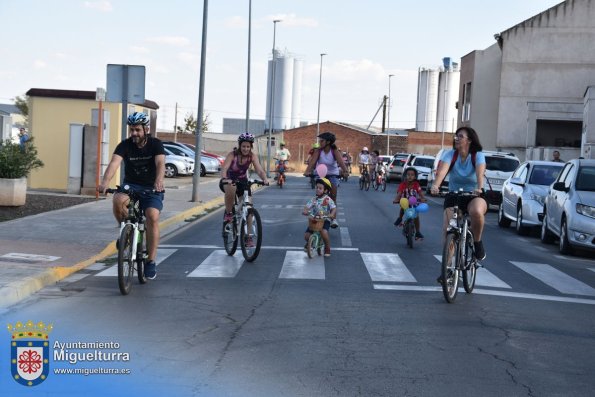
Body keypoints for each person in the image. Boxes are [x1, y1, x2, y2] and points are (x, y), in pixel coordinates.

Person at [97, 112, 165, 280]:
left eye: (137, 130)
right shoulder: (125, 145)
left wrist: (158, 181)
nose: (134, 133)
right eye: (131, 130)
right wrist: (104, 182)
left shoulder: (155, 144)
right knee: (118, 200)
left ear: (146, 129)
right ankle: (125, 232)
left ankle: (150, 261)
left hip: (151, 187)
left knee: (152, 216)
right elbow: (114, 164)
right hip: (131, 185)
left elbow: (160, 163)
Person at [430, 126, 488, 268]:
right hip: (454, 195)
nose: (456, 138)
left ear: (469, 140)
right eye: (456, 136)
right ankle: (447, 267)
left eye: (460, 136)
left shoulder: (477, 155)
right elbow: (441, 172)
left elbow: (480, 174)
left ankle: (477, 242)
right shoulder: (450, 155)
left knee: (476, 212)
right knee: (448, 229)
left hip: (474, 195)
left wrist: (479, 188)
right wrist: (435, 185)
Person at [220, 132, 270, 246]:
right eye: (243, 146)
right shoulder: (232, 155)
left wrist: (265, 179)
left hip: (242, 181)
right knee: (232, 187)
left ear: (251, 146)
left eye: (248, 146)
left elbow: (259, 170)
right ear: (240, 145)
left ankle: (248, 237)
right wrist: (225, 178)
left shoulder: (252, 156)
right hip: (229, 180)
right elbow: (224, 168)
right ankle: (228, 213)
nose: (245, 149)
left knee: (249, 208)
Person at [303, 132, 349, 228]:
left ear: (328, 142)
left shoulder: (334, 151)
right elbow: (312, 162)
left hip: (333, 174)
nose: (320, 142)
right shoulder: (318, 151)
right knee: (319, 195)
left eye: (322, 140)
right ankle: (317, 214)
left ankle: (333, 219)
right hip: (320, 173)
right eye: (320, 140)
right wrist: (307, 171)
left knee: (333, 196)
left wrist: (345, 171)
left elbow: (341, 162)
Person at [302, 177, 337, 257]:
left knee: (324, 232)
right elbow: (307, 207)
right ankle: (309, 243)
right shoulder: (314, 199)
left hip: (324, 219)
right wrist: (305, 211)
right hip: (314, 220)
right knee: (307, 235)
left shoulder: (328, 199)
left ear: (325, 190)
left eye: (320, 188)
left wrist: (331, 214)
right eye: (317, 187)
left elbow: (334, 208)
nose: (317, 189)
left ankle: (327, 247)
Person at [393, 167, 427, 239]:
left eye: (412, 175)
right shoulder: (403, 184)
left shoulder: (416, 184)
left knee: (416, 216)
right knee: (403, 207)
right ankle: (400, 218)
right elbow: (399, 193)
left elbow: (420, 192)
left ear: (415, 176)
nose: (410, 176)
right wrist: (396, 199)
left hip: (414, 202)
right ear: (405, 176)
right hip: (405, 200)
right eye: (408, 174)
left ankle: (417, 232)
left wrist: (423, 198)